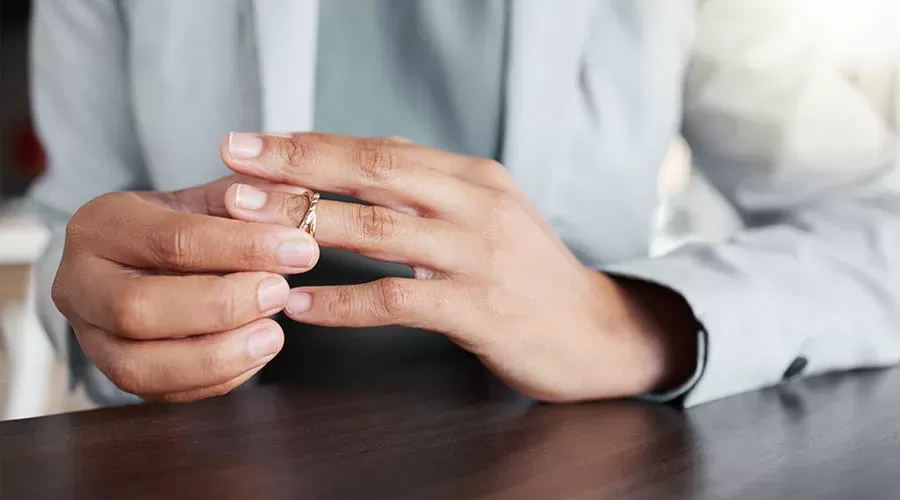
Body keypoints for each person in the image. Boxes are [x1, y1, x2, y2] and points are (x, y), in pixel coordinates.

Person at [28, 0, 900, 407]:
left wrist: (631, 321)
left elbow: (881, 226)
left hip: (569, 454)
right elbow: (74, 241)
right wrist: (104, 306)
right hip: (208, 456)